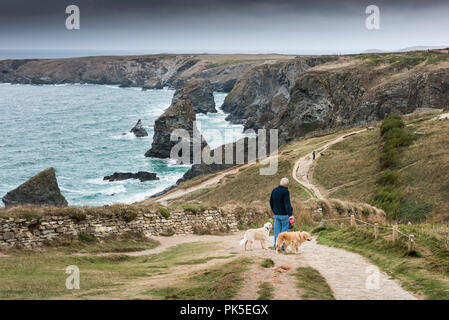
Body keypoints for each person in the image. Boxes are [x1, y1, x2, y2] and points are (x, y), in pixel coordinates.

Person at [269, 177, 293, 250]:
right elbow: (287, 204)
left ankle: (276, 246)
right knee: (284, 232)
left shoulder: (274, 190)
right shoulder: (285, 191)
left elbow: (271, 202)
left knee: (277, 232)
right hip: (284, 215)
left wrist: (274, 210)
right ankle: (283, 247)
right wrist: (290, 214)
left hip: (276, 215)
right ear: (286, 185)